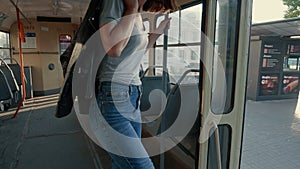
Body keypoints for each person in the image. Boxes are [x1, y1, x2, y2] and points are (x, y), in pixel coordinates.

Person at [96, 0, 178, 169]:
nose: (161, 10)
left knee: (122, 165)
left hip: (133, 96)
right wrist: (132, 8)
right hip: (114, 96)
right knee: (142, 166)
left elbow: (134, 52)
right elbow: (114, 49)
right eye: (163, 5)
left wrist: (156, 33)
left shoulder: (137, 14)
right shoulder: (118, 4)